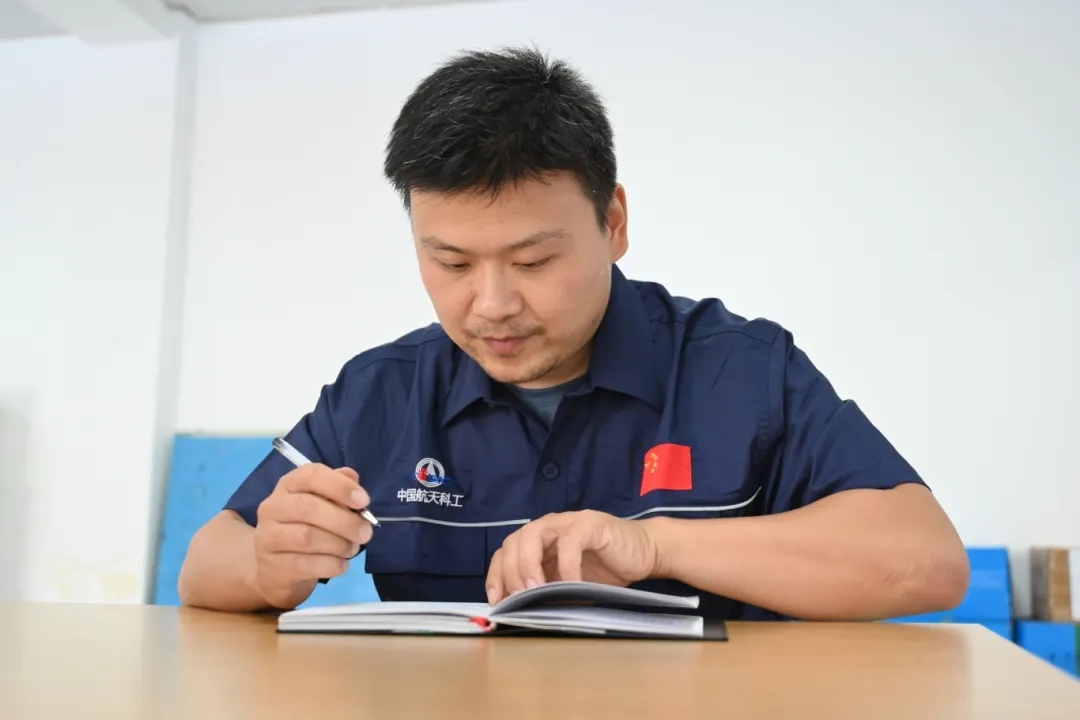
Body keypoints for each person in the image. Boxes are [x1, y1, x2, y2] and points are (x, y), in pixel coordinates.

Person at [177, 46, 970, 621]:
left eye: (532, 260)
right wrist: (267, 564)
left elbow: (925, 562)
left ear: (613, 222)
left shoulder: (739, 370)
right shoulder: (382, 391)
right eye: (451, 262)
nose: (491, 304)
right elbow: (207, 562)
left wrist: (656, 548)